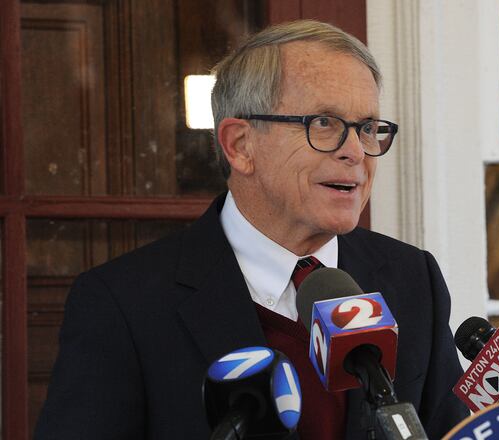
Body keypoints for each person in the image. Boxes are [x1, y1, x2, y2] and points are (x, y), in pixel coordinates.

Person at [35, 19, 469, 439]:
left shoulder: (413, 278)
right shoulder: (123, 304)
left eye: (368, 128)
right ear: (240, 146)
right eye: (324, 123)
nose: (356, 151)